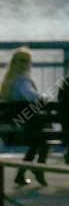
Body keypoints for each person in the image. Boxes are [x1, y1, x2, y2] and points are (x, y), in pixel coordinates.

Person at [1, 46, 48, 186]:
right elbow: (33, 97)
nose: (25, 63)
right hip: (24, 127)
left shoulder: (7, 81)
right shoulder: (22, 81)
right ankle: (38, 168)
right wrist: (45, 97)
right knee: (43, 139)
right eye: (24, 61)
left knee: (37, 142)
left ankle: (23, 173)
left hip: (15, 126)